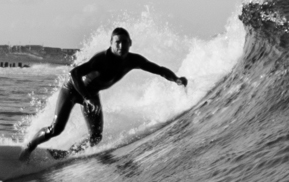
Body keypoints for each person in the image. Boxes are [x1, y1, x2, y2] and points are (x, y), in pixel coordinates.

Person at [19, 27, 187, 159]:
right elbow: (75, 73)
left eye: (124, 42)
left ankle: (68, 155)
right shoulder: (101, 59)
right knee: (55, 130)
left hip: (91, 95)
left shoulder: (133, 60)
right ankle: (29, 147)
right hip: (73, 89)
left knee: (96, 137)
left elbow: (158, 69)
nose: (121, 46)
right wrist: (86, 97)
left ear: (130, 42)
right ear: (111, 43)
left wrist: (176, 79)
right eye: (117, 43)